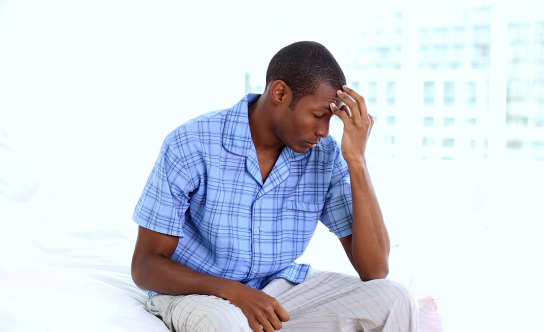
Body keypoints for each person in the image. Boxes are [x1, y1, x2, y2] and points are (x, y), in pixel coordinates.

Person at [131, 41, 418, 332]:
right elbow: (146, 266)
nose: (324, 131)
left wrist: (357, 160)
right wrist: (233, 291)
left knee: (395, 298)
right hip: (201, 293)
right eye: (319, 115)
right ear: (280, 93)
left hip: (278, 293)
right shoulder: (192, 143)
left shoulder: (325, 155)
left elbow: (375, 270)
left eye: (331, 120)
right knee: (224, 323)